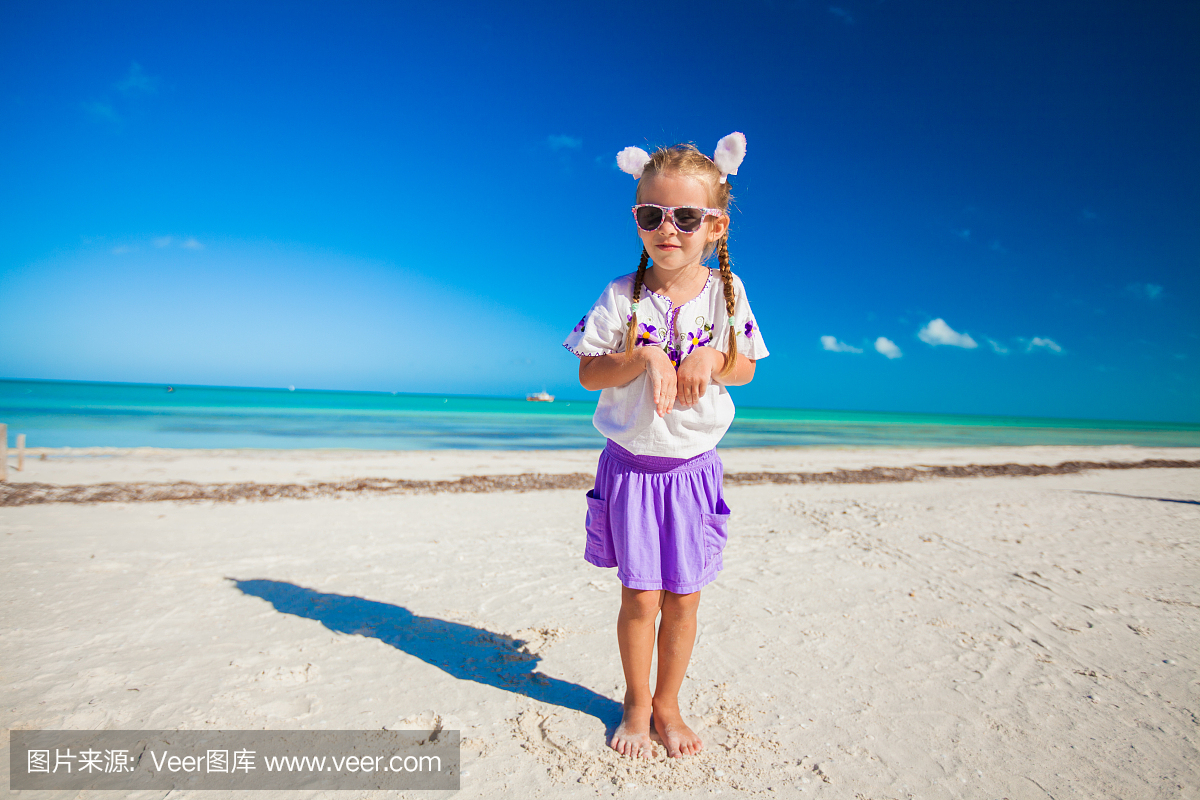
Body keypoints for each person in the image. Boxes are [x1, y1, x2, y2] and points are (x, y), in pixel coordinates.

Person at [562, 133, 769, 759]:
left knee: (683, 598)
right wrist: (642, 355)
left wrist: (712, 353)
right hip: (630, 468)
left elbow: (747, 368)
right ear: (638, 220)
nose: (668, 229)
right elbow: (588, 372)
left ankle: (668, 704)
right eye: (652, 215)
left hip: (691, 472)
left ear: (715, 225)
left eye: (685, 217)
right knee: (640, 595)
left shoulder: (725, 295)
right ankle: (633, 701)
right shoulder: (621, 295)